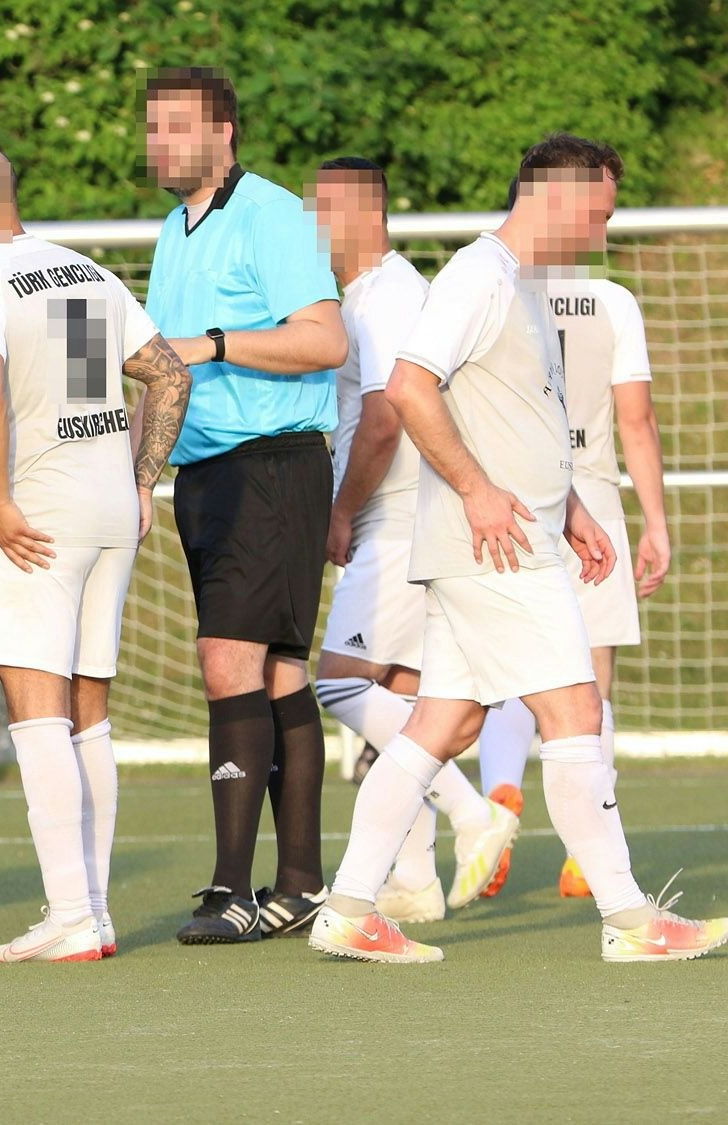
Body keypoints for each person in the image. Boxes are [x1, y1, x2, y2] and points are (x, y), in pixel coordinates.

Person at [307, 134, 726, 965]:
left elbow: (518, 422)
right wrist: (474, 489)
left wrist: (570, 507)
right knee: (573, 713)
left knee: (441, 723)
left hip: (515, 537)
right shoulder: (478, 275)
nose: (603, 231)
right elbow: (409, 388)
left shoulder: (529, 288)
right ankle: (632, 919)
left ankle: (350, 906)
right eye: (599, 213)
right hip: (493, 548)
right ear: (558, 197)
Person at [0, 145, 192, 962]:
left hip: (39, 514)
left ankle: (71, 913)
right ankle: (96, 911)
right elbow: (171, 375)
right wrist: (143, 481)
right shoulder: (88, 273)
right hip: (111, 506)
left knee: (36, 706)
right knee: (89, 714)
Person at [140, 68, 350, 942]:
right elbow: (157, 372)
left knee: (228, 663)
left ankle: (233, 890)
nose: (158, 143)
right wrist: (140, 476)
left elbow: (325, 338)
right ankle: (298, 883)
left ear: (223, 130)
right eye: (151, 128)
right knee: (275, 674)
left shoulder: (270, 212)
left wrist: (216, 343)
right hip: (207, 475)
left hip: (272, 462)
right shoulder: (170, 230)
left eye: (176, 127)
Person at [304, 159, 515, 924]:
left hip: (396, 514)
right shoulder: (367, 294)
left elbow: (390, 415)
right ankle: (415, 877)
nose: (311, 225)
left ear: (367, 213)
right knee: (400, 691)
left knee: (338, 680)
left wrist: (341, 508)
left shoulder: (389, 294)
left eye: (321, 208)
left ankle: (472, 812)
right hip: (410, 514)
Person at [473, 183, 670, 900]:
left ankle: (498, 794)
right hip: (593, 506)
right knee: (591, 684)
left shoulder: (494, 292)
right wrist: (657, 520)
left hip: (511, 501)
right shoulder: (612, 301)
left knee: (507, 675)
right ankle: (588, 856)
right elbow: (637, 421)